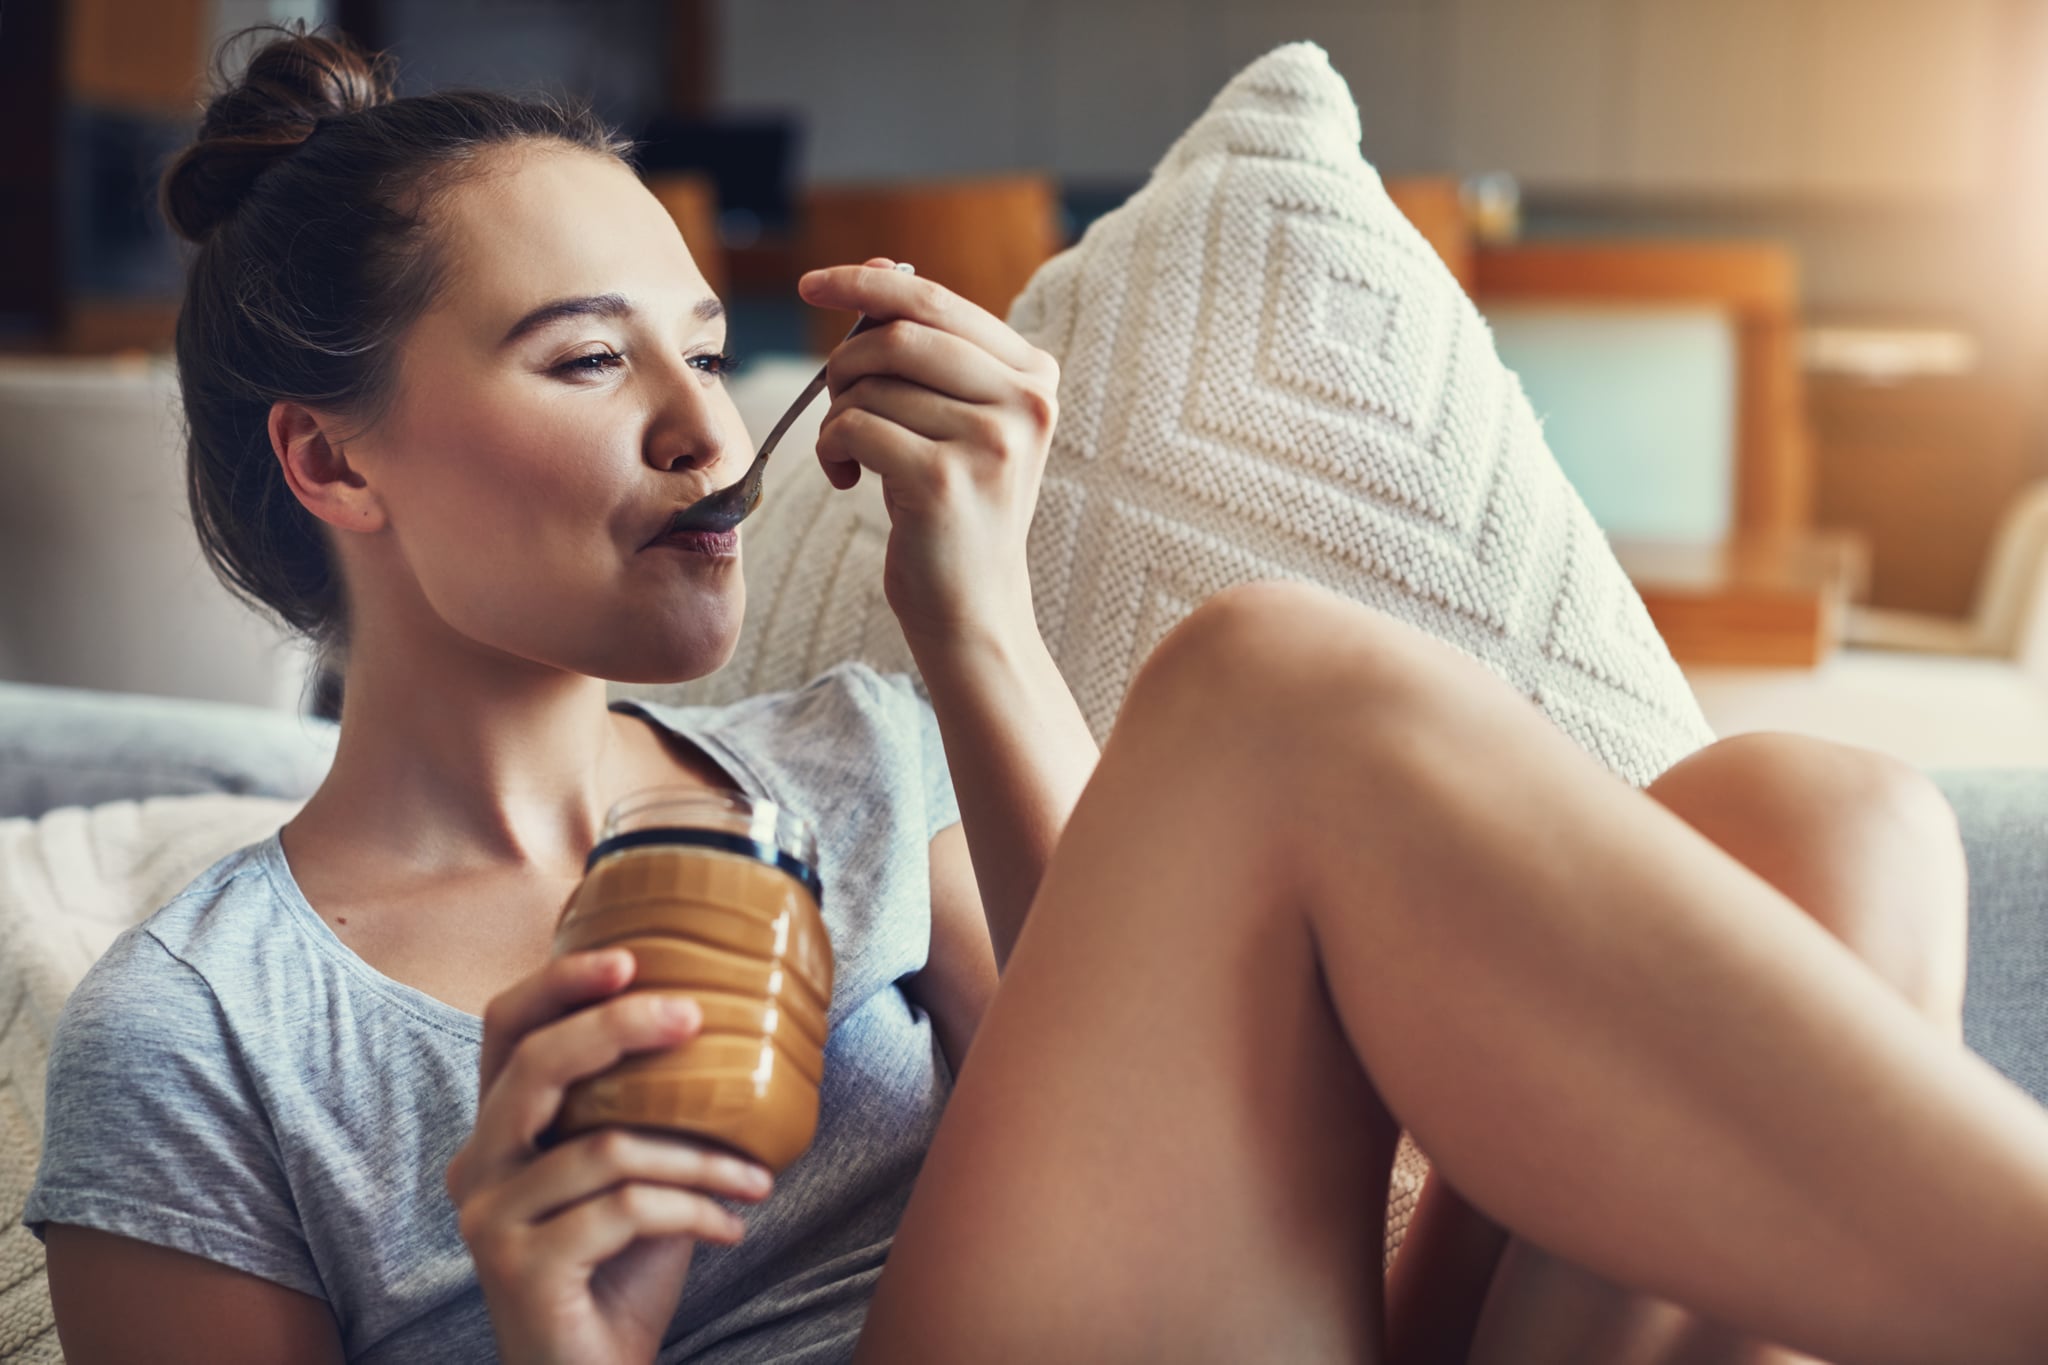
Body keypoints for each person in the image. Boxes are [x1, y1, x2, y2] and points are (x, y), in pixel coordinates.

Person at [26, 27, 2048, 1365]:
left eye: (696, 341)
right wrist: (561, 1333)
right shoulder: (198, 1028)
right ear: (337, 462)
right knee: (1255, 679)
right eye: (580, 362)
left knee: (1825, 821)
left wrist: (971, 600)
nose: (689, 418)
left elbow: (1229, 1104)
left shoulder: (843, 760)